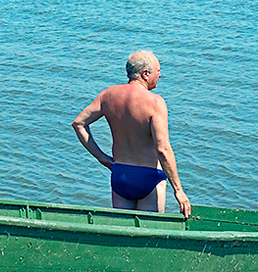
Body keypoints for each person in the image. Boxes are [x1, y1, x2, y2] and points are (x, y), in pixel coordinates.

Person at [72, 50, 191, 218]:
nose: (160, 75)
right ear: (145, 74)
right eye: (158, 71)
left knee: (123, 235)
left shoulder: (108, 95)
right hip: (149, 177)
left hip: (120, 175)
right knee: (149, 236)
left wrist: (103, 158)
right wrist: (179, 191)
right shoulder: (155, 103)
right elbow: (163, 149)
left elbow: (78, 124)